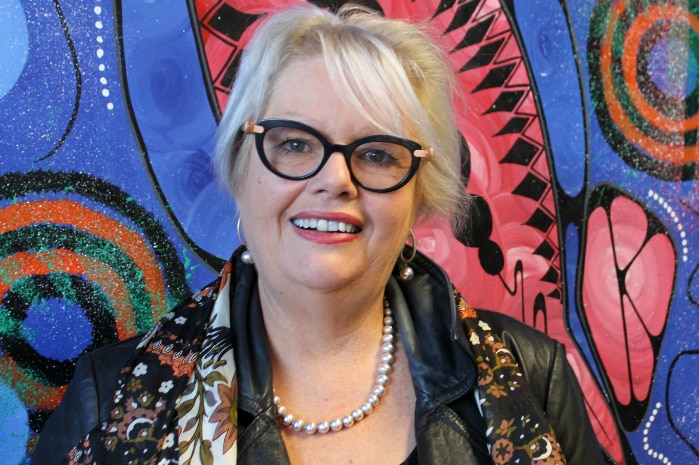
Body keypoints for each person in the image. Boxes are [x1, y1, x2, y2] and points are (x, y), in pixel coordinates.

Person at [33, 4, 605, 465]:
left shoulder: (535, 379)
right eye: (295, 144)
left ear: (418, 193)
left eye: (377, 154)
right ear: (241, 165)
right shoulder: (105, 405)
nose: (335, 180)